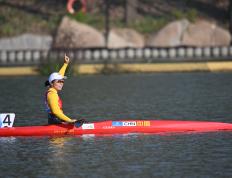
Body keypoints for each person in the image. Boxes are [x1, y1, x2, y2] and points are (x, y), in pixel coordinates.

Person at [44, 54, 77, 125]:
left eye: (62, 81)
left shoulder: (52, 90)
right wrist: (70, 120)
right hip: (55, 121)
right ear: (52, 83)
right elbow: (55, 111)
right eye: (59, 82)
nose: (61, 83)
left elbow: (59, 75)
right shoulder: (52, 94)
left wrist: (65, 64)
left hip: (56, 120)